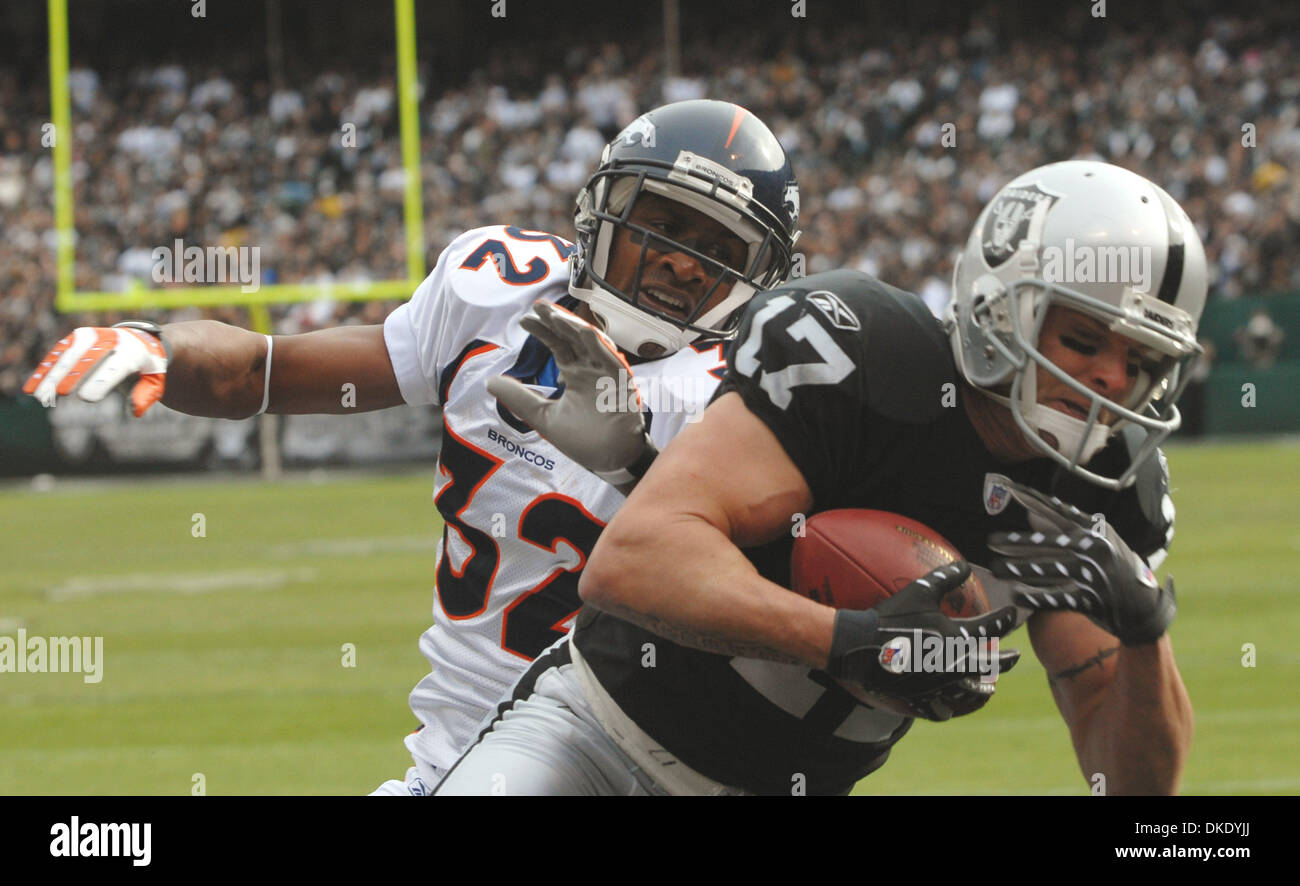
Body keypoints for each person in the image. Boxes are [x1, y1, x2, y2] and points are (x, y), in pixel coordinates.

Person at [21, 99, 802, 794]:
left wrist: (635, 470)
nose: (675, 257)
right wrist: (159, 345)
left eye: (714, 246)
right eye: (662, 223)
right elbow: (265, 372)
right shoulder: (497, 291)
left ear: (754, 276)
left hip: (633, 760)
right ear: (604, 210)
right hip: (456, 759)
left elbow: (786, 598)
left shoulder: (752, 392)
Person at [433, 160, 1204, 796]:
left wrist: (1144, 634)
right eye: (1083, 339)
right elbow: (636, 562)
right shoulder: (865, 357)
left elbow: (1130, 787)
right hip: (596, 738)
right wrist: (849, 640)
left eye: (1141, 364)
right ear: (1002, 306)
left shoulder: (1102, 486)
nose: (1110, 380)